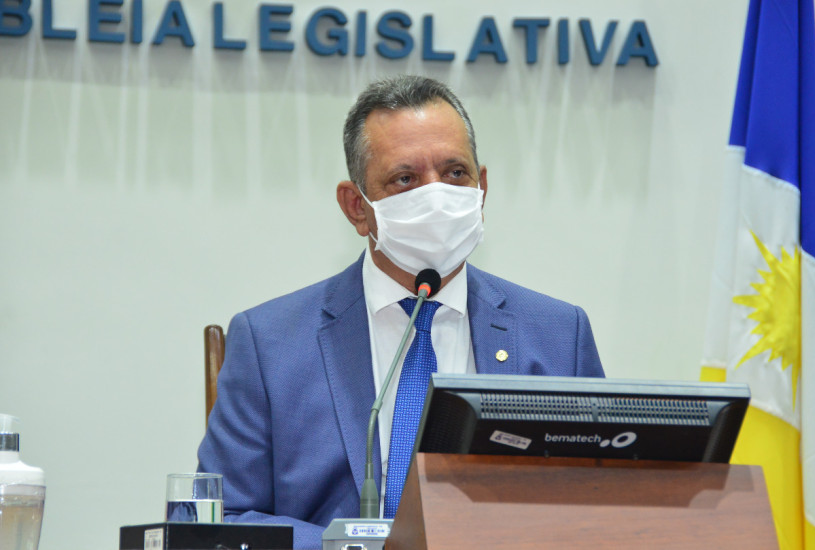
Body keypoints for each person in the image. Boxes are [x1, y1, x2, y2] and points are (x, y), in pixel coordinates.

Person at [197, 75, 604, 549]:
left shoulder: (559, 335)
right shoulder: (270, 343)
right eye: (405, 179)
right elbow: (219, 521)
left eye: (455, 173)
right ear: (357, 207)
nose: (436, 196)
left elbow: (601, 507)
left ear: (482, 190)